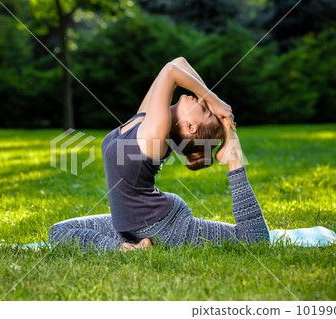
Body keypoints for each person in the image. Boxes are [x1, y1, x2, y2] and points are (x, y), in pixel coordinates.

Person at [48, 57, 270, 252]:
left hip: (164, 226)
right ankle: (128, 248)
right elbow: (179, 62)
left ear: (190, 127)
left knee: (253, 240)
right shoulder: (147, 120)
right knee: (58, 231)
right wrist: (216, 103)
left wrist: (215, 103)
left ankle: (234, 159)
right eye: (205, 105)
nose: (201, 100)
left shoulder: (156, 131)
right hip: (133, 225)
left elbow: (171, 71)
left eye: (204, 109)